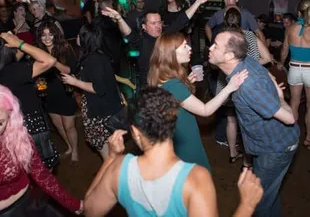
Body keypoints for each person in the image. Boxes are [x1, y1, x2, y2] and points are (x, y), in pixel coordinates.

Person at [84, 87, 263, 217]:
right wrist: (247, 205)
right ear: (173, 123)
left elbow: (89, 209)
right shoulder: (194, 179)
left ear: (136, 133)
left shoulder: (118, 169)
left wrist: (111, 158)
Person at [209, 28, 300, 217]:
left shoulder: (248, 86)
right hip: (267, 145)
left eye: (215, 46)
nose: (210, 48)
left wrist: (280, 96)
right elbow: (267, 74)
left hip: (276, 148)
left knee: (259, 202)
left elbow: (290, 118)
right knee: (269, 198)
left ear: (229, 55)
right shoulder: (245, 62)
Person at [148, 32, 248, 170]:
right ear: (171, 54)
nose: (189, 48)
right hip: (185, 138)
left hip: (173, 135)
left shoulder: (161, 75)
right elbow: (205, 110)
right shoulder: (174, 84)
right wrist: (229, 87)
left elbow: (172, 98)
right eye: (184, 46)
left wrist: (186, 84)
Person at [0, 84, 83, 216]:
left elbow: (42, 175)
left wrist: (74, 204)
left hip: (29, 203)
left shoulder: (18, 137)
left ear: (10, 116)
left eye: (0, 123)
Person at [102, 0, 215, 87]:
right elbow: (129, 33)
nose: (158, 26)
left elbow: (181, 20)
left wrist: (197, 3)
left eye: (159, 22)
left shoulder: (165, 36)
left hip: (168, 86)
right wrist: (119, 19)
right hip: (149, 89)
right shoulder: (141, 40)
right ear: (144, 27)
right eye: (153, 23)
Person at [61, 24, 125, 159]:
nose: (77, 37)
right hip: (104, 110)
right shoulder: (93, 56)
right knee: (112, 152)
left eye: (80, 34)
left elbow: (98, 88)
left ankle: (114, 177)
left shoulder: (94, 59)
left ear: (86, 39)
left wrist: (75, 82)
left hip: (102, 114)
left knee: (108, 154)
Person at [216, 8, 271, 163]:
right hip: (247, 83)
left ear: (224, 20)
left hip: (227, 83)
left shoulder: (222, 38)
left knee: (231, 119)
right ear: (241, 20)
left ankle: (233, 153)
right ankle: (247, 162)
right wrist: (251, 64)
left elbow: (215, 63)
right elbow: (267, 58)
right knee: (247, 123)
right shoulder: (249, 36)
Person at [0, 32, 59, 169]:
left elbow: (14, 57)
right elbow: (50, 61)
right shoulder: (13, 71)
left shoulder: (6, 71)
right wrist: (19, 43)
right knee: (43, 166)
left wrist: (15, 43)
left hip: (12, 127)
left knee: (25, 165)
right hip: (31, 125)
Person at [36, 21, 79, 165]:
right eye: (43, 35)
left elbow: (69, 70)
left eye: (50, 34)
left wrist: (53, 62)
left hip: (65, 91)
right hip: (48, 94)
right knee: (58, 125)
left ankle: (75, 151)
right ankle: (68, 146)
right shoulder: (38, 51)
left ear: (55, 35)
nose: (47, 38)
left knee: (69, 126)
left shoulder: (64, 48)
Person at [278, 0, 310, 149]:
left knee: (294, 104)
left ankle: (293, 138)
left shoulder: (290, 28)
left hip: (295, 69)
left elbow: (284, 50)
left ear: (298, 13)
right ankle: (308, 138)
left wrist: (280, 62)